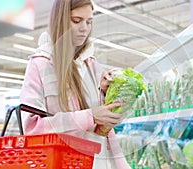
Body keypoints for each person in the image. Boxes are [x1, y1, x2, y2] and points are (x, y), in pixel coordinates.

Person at [20, 0, 131, 168]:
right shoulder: (41, 64)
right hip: (64, 162)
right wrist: (90, 116)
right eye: (76, 20)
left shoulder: (91, 64)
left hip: (100, 160)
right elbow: (32, 128)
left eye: (89, 22)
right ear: (60, 21)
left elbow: (102, 125)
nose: (84, 28)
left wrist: (105, 93)